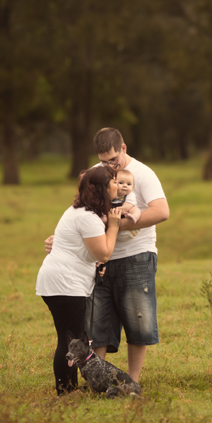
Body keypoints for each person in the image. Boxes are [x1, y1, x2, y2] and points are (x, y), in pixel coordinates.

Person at [45, 127, 169, 384]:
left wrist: (115, 225)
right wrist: (62, 239)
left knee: (138, 321)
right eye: (103, 161)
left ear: (123, 148)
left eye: (113, 159)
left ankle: (132, 381)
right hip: (101, 259)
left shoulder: (143, 174)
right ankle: (97, 380)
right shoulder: (97, 174)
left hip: (136, 256)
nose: (109, 165)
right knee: (97, 322)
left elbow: (162, 211)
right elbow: (81, 211)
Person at [36, 165, 123, 396]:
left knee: (70, 337)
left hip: (60, 283)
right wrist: (113, 226)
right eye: (113, 182)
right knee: (69, 340)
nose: (117, 185)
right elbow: (103, 253)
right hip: (65, 285)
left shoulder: (81, 211)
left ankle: (70, 389)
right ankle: (66, 392)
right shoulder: (88, 218)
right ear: (103, 189)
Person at [111, 169, 141, 240]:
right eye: (121, 183)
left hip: (129, 229)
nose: (125, 186)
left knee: (135, 209)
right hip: (113, 230)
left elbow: (127, 206)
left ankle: (134, 217)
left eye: (128, 184)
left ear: (133, 187)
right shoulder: (110, 193)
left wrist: (114, 212)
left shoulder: (130, 195)